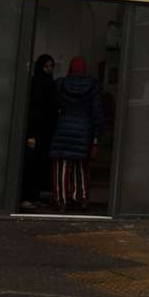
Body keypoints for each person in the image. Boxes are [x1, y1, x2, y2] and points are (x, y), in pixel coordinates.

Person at [49, 56, 106, 210]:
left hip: (63, 129)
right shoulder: (93, 86)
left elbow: (54, 106)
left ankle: (61, 200)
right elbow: (97, 112)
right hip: (84, 130)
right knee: (81, 165)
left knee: (62, 166)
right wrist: (97, 135)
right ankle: (81, 198)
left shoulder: (61, 84)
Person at [20, 54, 58, 209]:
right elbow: (34, 110)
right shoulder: (37, 84)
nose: (49, 69)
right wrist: (31, 134)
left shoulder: (48, 83)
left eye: (51, 66)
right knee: (32, 164)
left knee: (39, 163)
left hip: (46, 132)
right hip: (37, 131)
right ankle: (27, 197)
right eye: (46, 66)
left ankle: (34, 195)